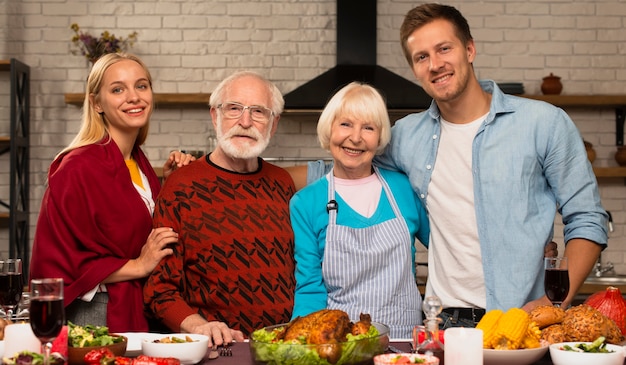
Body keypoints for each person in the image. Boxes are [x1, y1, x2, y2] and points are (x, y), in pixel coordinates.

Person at [298, 3, 608, 328]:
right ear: (414, 69)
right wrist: (263, 174)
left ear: (470, 49)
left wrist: (552, 302)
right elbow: (347, 166)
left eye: (444, 48)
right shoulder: (405, 137)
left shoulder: (543, 123)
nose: (435, 64)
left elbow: (586, 216)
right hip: (441, 326)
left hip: (520, 323)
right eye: (421, 57)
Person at [29, 53, 194, 332]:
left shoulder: (138, 164)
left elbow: (129, 227)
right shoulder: (77, 167)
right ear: (96, 103)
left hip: (141, 308)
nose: (134, 97)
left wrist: (168, 187)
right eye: (118, 89)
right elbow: (61, 263)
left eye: (141, 86)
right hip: (98, 315)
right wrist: (139, 265)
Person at [144, 71, 295, 347]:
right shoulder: (181, 186)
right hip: (215, 351)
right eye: (234, 109)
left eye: (259, 112)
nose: (245, 121)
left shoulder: (282, 183)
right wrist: (200, 326)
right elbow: (160, 290)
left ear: (273, 124)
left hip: (283, 350)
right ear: (215, 116)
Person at [290, 82, 430, 339]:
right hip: (340, 342)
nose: (355, 137)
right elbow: (309, 287)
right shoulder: (305, 203)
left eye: (368, 127)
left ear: (379, 137)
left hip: (404, 341)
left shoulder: (402, 188)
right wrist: (304, 345)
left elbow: (445, 248)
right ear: (328, 129)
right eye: (345, 124)